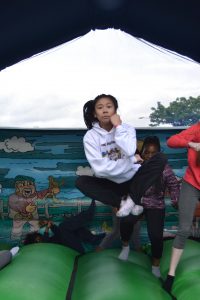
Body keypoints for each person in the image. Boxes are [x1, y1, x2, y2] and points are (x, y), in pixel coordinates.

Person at [76, 94, 167, 222]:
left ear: (115, 111)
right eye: (100, 107)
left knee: (160, 158)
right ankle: (122, 202)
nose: (105, 110)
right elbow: (100, 170)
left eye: (109, 106)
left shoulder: (127, 129)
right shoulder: (90, 137)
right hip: (112, 183)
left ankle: (133, 198)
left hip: (133, 180)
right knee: (81, 182)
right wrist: (132, 160)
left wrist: (118, 127)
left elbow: (130, 150)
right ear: (95, 114)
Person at [118, 136, 180, 278]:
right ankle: (125, 246)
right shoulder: (136, 167)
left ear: (159, 154)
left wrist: (176, 200)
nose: (150, 156)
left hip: (156, 204)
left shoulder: (164, 168)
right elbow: (124, 184)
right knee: (126, 221)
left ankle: (155, 265)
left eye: (154, 153)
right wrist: (120, 202)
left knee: (156, 236)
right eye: (147, 153)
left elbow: (173, 184)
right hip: (137, 202)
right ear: (142, 153)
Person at [163, 122, 200, 295]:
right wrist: (191, 143)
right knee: (184, 228)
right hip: (191, 183)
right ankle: (171, 275)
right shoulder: (197, 129)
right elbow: (172, 140)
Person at [23, 199, 105, 254]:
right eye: (38, 239)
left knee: (71, 228)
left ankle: (93, 238)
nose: (39, 239)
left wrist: (51, 226)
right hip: (73, 249)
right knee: (64, 226)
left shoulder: (49, 241)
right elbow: (46, 241)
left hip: (72, 245)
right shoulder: (44, 247)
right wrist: (47, 229)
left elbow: (59, 234)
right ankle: (88, 215)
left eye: (38, 238)